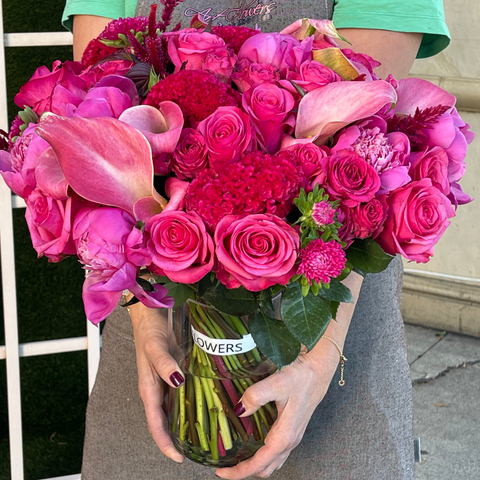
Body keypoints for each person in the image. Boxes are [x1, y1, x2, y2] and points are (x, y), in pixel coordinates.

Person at [62, 1, 450, 478]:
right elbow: (101, 128)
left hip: (327, 354)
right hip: (164, 355)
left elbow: (367, 140)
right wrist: (148, 322)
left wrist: (320, 357)